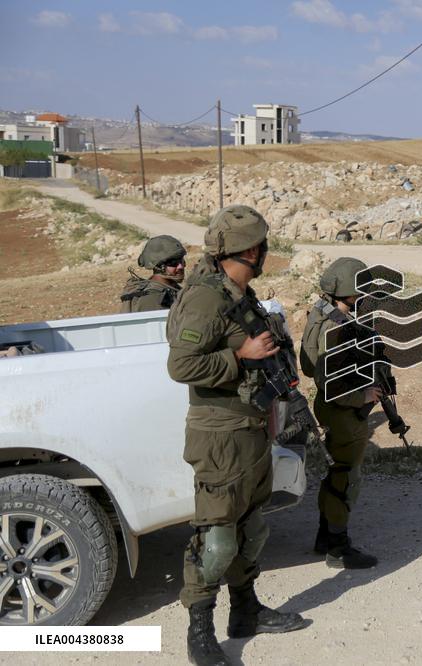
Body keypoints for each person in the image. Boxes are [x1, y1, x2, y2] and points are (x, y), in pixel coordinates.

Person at [167, 205, 307, 666]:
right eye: (263, 245)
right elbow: (181, 366)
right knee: (217, 538)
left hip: (249, 427)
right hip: (219, 434)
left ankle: (245, 612)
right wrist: (242, 356)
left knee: (252, 528)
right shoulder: (206, 297)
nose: (266, 252)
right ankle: (200, 630)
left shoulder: (237, 292)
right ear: (251, 249)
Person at [299, 257, 381, 569]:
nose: (363, 295)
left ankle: (326, 536)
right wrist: (365, 394)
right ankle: (337, 545)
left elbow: (309, 366)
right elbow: (329, 380)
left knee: (338, 474)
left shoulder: (321, 315)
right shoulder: (335, 326)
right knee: (346, 478)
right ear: (347, 290)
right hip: (343, 409)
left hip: (331, 406)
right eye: (360, 289)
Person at [120, 235, 187, 312]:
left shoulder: (172, 289)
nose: (180, 267)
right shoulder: (153, 297)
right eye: (173, 263)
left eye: (181, 260)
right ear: (158, 266)